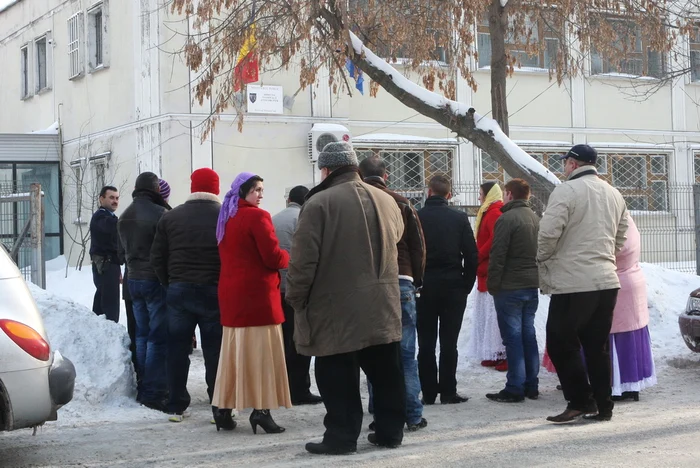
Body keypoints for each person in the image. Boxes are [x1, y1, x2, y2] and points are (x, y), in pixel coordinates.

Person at [286, 141, 406, 455]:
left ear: (326, 169)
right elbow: (397, 238)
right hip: (384, 303)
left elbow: (303, 260)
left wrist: (296, 297)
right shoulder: (387, 199)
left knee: (337, 374)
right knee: (386, 373)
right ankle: (391, 431)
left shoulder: (318, 203)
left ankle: (341, 437)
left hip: (335, 306)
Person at [538, 144, 628, 423]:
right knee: (596, 346)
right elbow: (622, 233)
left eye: (565, 161)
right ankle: (604, 405)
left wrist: (542, 257)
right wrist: (605, 255)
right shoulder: (613, 192)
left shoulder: (566, 190)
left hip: (574, 282)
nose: (563, 166)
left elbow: (549, 232)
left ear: (574, 164)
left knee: (560, 342)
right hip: (605, 280)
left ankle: (580, 401)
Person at [212, 172, 291, 434]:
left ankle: (223, 408)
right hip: (258, 297)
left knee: (233, 352)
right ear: (244, 191)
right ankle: (261, 411)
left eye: (261, 189)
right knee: (262, 355)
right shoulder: (258, 217)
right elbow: (272, 257)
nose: (260, 194)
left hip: (232, 294)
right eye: (256, 189)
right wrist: (288, 257)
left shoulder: (226, 216)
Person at [151, 168, 226, 424]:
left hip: (179, 290)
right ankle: (219, 404)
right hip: (214, 290)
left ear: (193, 186)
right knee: (215, 349)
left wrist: (169, 282)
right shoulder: (224, 216)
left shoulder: (171, 217)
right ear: (216, 188)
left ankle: (176, 405)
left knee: (177, 348)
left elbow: (157, 257)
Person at [359, 155, 428, 432]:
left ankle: (380, 412)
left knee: (378, 352)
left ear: (361, 177)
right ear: (386, 176)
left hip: (372, 281)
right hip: (403, 280)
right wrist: (417, 279)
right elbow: (418, 245)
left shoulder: (360, 202)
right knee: (406, 354)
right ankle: (412, 414)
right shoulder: (402, 202)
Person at [416, 175, 478, 405]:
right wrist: (466, 284)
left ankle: (429, 392)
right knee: (449, 342)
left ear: (429, 192)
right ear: (449, 195)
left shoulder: (417, 217)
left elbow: (412, 252)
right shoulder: (459, 218)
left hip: (425, 286)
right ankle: (449, 391)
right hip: (453, 286)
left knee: (426, 342)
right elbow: (471, 255)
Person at [117, 172, 171, 412]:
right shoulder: (161, 214)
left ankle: (143, 387)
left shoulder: (125, 215)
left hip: (133, 281)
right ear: (154, 189)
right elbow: (166, 251)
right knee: (157, 337)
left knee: (141, 334)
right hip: (154, 281)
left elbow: (120, 253)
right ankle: (153, 391)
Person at [485, 179, 540, 403]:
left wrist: (493, 284)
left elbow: (498, 254)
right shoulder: (535, 218)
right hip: (531, 284)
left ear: (508, 194)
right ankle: (531, 384)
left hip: (510, 286)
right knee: (529, 335)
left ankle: (515, 386)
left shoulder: (506, 219)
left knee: (513, 338)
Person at [271, 185, 322, 406]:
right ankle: (299, 390)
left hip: (275, 289)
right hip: (297, 289)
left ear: (289, 199)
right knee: (300, 341)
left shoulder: (275, 219)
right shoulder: (304, 218)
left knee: (281, 340)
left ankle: (279, 387)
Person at [609, 214, 656, 402]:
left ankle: (618, 385)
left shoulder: (615, 224)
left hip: (618, 284)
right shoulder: (629, 222)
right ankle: (632, 385)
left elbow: (613, 252)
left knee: (616, 337)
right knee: (632, 335)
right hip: (633, 281)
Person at [467, 181, 507, 371]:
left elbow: (494, 238)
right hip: (485, 268)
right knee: (489, 313)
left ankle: (502, 353)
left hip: (490, 268)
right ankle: (495, 352)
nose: (479, 197)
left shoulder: (493, 212)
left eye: (481, 193)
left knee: (495, 314)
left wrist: (479, 254)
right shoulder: (488, 211)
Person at [89, 186, 121, 323]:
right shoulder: (101, 217)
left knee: (103, 301)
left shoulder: (109, 217)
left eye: (117, 198)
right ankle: (108, 335)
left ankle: (100, 332)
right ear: (101, 199)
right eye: (111, 197)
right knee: (109, 306)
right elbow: (111, 227)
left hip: (109, 264)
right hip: (105, 265)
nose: (115, 201)